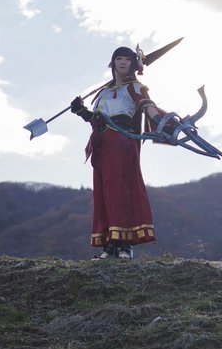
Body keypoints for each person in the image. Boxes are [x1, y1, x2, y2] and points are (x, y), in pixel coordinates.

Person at [70, 46, 173, 260]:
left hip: (121, 142)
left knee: (121, 190)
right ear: (113, 63)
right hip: (101, 144)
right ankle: (109, 245)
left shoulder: (135, 87)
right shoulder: (103, 92)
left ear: (133, 64)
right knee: (104, 192)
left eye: (127, 59)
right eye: (119, 58)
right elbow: (97, 119)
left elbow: (148, 107)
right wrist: (81, 111)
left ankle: (125, 244)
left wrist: (161, 121)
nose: (123, 62)